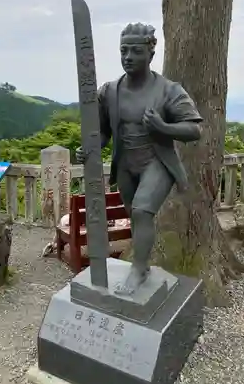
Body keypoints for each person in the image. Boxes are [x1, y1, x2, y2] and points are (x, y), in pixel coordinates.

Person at [76, 23, 203, 295]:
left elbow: (194, 129)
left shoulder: (168, 90)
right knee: (134, 214)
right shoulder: (109, 92)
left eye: (136, 51)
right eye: (124, 51)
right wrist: (89, 149)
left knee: (143, 210)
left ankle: (137, 269)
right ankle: (143, 265)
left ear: (150, 53)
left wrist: (163, 127)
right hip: (125, 163)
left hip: (156, 161)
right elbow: (102, 133)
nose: (128, 57)